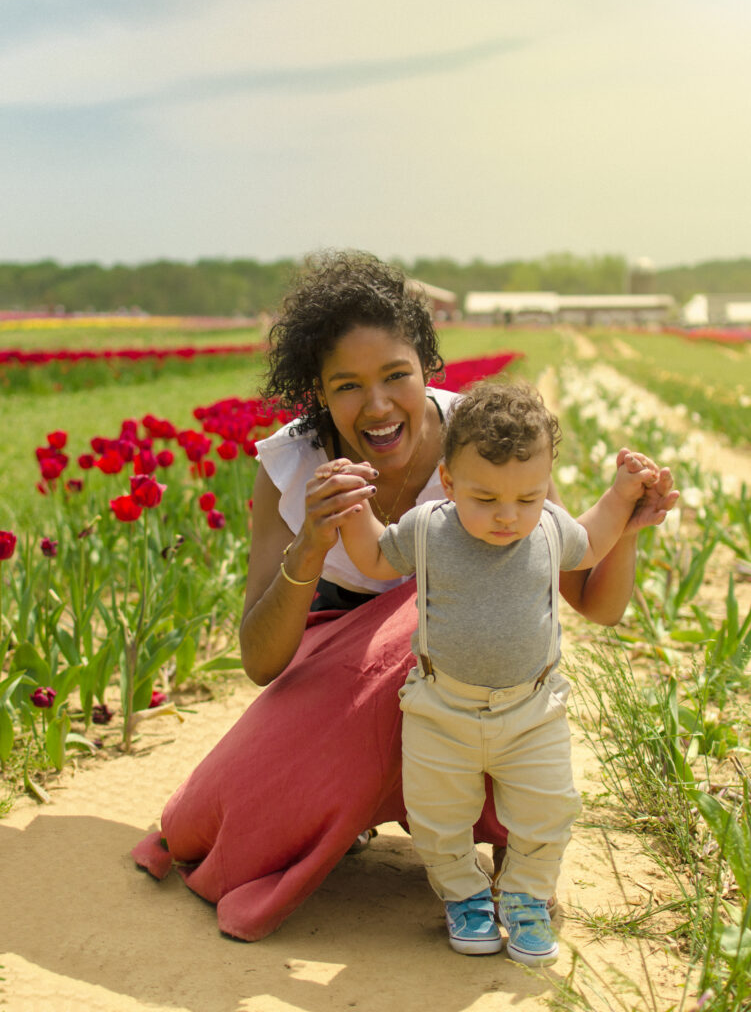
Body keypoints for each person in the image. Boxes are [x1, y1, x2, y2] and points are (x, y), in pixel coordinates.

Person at [131, 251, 679, 943]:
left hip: (463, 672)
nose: (380, 403)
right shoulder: (292, 469)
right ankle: (346, 795)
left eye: (397, 375)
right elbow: (260, 661)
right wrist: (310, 544)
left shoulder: (477, 446)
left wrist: (624, 527)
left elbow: (590, 598)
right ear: (317, 394)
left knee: (441, 617)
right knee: (219, 817)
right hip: (334, 667)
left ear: (426, 368)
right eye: (348, 386)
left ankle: (490, 856)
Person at [337, 380, 671, 964]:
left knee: (549, 812)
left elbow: (590, 542)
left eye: (528, 497)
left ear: (546, 487)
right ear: (448, 481)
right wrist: (352, 504)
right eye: (485, 498)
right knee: (438, 820)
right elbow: (370, 557)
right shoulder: (428, 527)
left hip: (532, 710)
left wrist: (622, 496)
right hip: (441, 709)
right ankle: (464, 897)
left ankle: (526, 899)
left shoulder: (548, 529)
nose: (507, 516)